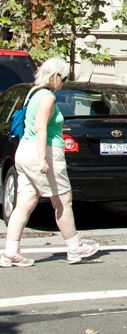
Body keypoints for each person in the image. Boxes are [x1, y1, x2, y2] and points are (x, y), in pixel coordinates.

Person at [1, 57, 99, 267]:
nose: (63, 82)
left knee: (25, 203)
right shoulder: (47, 98)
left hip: (24, 152)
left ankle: (10, 251)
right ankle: (75, 248)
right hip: (44, 152)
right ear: (54, 76)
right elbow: (41, 128)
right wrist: (43, 159)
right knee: (63, 201)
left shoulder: (33, 92)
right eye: (63, 78)